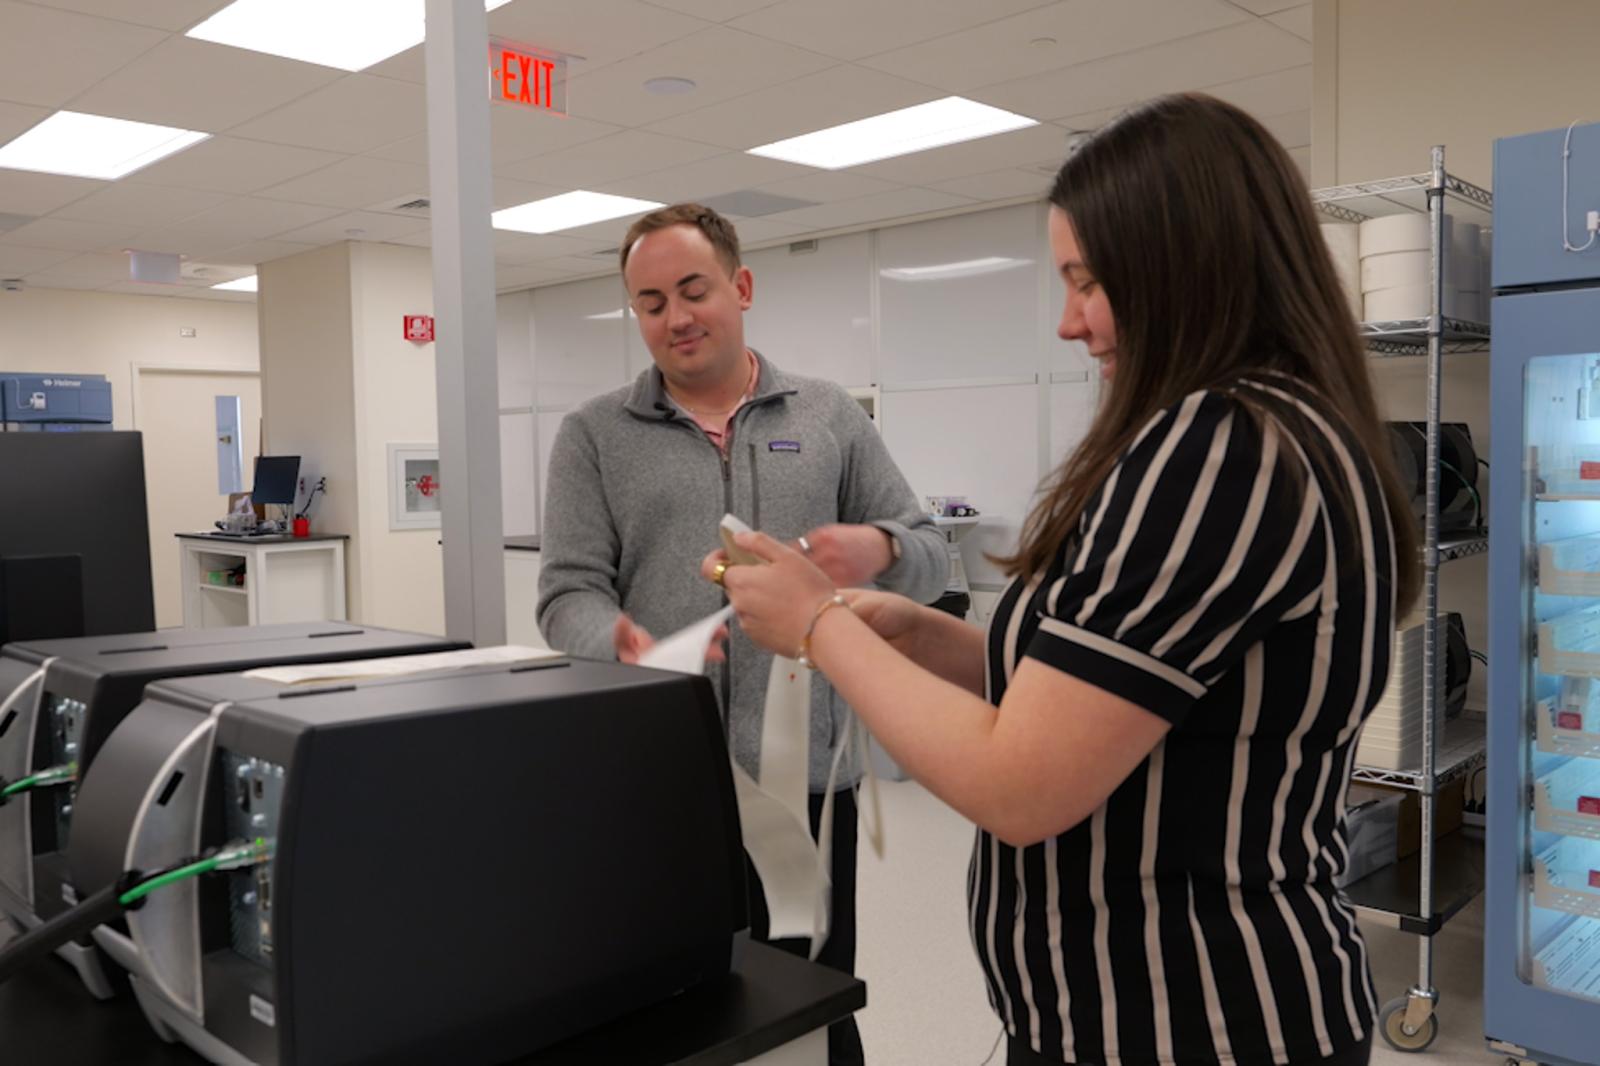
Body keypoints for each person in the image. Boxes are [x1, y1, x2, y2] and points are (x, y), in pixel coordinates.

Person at [705, 93, 1420, 1066]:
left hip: (1190, 1026)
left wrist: (815, 627)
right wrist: (924, 639)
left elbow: (1022, 782)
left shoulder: (1219, 450)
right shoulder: (1287, 432)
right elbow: (1124, 687)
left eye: (1088, 281)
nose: (1068, 323)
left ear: (1182, 268)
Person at [537, 203, 949, 1065]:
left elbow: (931, 556)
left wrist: (875, 545)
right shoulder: (593, 437)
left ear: (741, 287)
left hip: (807, 783)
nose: (676, 317)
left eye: (694, 290)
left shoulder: (830, 415)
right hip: (663, 786)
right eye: (650, 302)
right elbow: (565, 591)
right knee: (679, 1011)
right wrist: (615, 640)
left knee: (814, 1000)